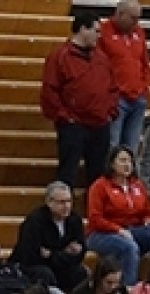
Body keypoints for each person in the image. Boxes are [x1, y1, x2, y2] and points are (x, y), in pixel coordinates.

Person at [41, 11, 118, 188]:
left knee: (98, 175)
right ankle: (62, 212)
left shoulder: (102, 58)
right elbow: (50, 91)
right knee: (68, 172)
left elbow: (113, 87)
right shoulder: (60, 57)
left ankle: (95, 212)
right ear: (83, 29)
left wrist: (110, 112)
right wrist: (65, 117)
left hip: (100, 124)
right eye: (96, 31)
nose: (99, 36)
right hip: (73, 125)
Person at [86, 144, 150, 287]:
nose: (127, 165)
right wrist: (117, 230)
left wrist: (147, 219)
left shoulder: (137, 185)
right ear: (112, 164)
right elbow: (95, 218)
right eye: (123, 160)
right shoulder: (100, 186)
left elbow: (147, 211)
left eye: (130, 161)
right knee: (129, 247)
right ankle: (127, 290)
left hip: (131, 230)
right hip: (101, 234)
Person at [11, 181, 89, 293]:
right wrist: (63, 253)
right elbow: (31, 255)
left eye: (69, 201)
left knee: (80, 272)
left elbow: (79, 253)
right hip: (32, 266)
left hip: (59, 266)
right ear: (49, 202)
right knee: (45, 274)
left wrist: (51, 254)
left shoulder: (74, 219)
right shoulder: (34, 221)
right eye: (61, 202)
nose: (66, 206)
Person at [99, 0, 150, 151]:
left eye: (138, 18)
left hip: (137, 97)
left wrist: (144, 86)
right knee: (112, 145)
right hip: (116, 98)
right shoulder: (103, 31)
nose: (136, 22)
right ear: (120, 14)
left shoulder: (139, 32)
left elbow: (145, 61)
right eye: (133, 18)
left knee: (131, 147)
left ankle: (129, 175)